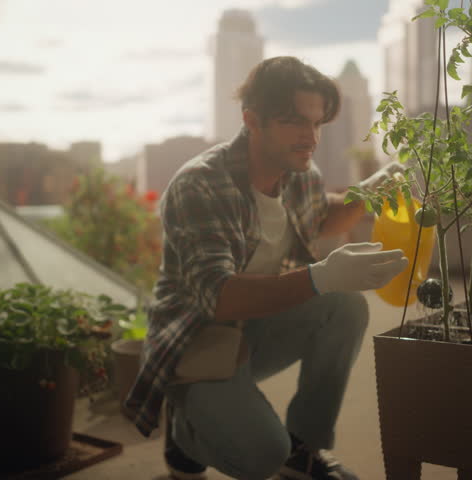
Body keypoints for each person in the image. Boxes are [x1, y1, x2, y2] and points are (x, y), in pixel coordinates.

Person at [124, 56, 408, 480]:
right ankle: (184, 431)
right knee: (261, 458)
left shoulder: (300, 174)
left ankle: (303, 452)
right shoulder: (199, 184)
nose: (309, 137)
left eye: (316, 124)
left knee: (346, 306)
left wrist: (368, 193)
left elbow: (320, 215)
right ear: (251, 120)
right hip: (195, 339)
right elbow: (218, 297)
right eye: (294, 122)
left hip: (253, 330)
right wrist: (321, 276)